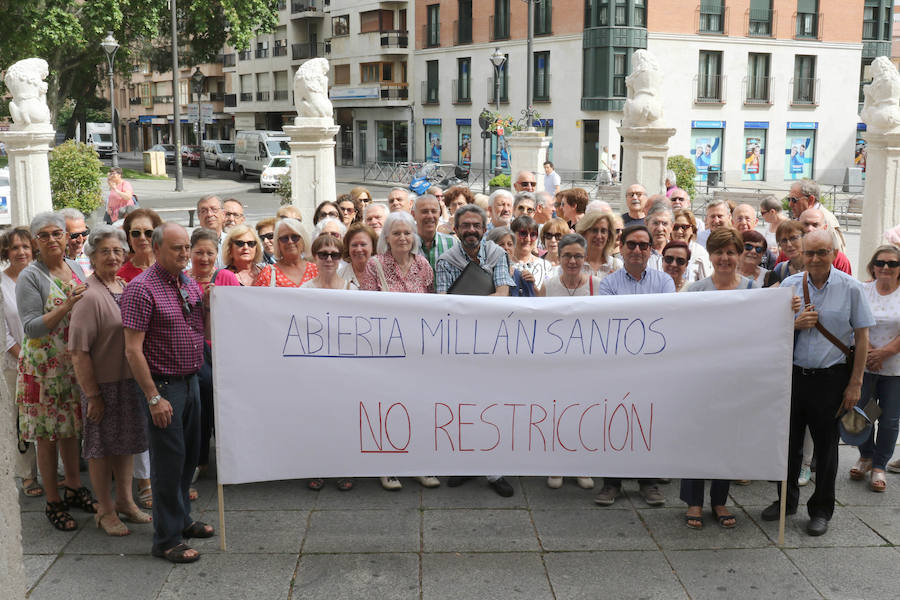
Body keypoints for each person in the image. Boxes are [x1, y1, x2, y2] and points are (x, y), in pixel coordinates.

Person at [760, 230, 874, 537]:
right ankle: (785, 502)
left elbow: (862, 339)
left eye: (822, 252)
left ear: (834, 253)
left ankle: (821, 509)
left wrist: (856, 383)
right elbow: (771, 330)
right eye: (809, 253)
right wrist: (794, 323)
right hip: (793, 376)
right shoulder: (789, 286)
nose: (815, 259)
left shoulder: (851, 288)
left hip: (831, 379)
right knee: (788, 445)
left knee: (825, 450)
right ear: (801, 254)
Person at [122, 222, 215, 563]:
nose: (184, 253)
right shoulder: (141, 289)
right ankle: (166, 539)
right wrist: (152, 397)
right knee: (168, 463)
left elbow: (197, 328)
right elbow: (132, 350)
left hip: (190, 381)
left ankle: (182, 520)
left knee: (188, 458)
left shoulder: (186, 283)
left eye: (186, 247)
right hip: (163, 386)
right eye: (177, 248)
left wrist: (207, 305)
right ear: (156, 249)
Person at [69, 226, 151, 536]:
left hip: (128, 382)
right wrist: (93, 396)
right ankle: (104, 510)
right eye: (105, 251)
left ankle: (126, 502)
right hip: (102, 387)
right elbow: (78, 352)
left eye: (118, 250)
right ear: (92, 256)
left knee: (126, 445)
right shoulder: (88, 295)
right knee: (101, 450)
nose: (113, 256)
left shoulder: (124, 285)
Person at [16, 212, 93, 531]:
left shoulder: (75, 267)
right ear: (35, 242)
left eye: (57, 234)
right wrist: (66, 307)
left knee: (71, 429)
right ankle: (53, 500)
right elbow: (31, 327)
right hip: (43, 369)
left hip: (71, 363)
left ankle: (74, 487)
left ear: (66, 237)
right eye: (44, 235)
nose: (52, 240)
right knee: (46, 436)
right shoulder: (29, 277)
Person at [435, 205, 516, 497]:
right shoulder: (446, 261)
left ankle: (495, 471)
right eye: (465, 226)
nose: (471, 230)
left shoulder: (497, 255)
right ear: (456, 230)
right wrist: (480, 304)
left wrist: (467, 306)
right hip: (459, 344)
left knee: (493, 406)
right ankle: (465, 464)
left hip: (493, 342)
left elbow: (504, 294)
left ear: (484, 228)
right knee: (462, 406)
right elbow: (444, 301)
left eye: (476, 225)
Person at [680, 228, 757, 530]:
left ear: (739, 255)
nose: (724, 258)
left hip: (736, 379)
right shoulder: (696, 291)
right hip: (701, 379)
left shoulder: (754, 291)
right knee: (697, 438)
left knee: (728, 439)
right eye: (718, 252)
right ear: (709, 255)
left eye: (730, 252)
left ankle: (720, 500)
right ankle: (694, 501)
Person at [594, 224, 675, 507]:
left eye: (643, 245)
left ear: (651, 250)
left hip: (652, 366)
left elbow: (663, 320)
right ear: (621, 246)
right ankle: (611, 483)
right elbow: (610, 321)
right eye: (631, 244)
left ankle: (648, 483)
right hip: (619, 365)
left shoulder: (665, 282)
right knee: (614, 422)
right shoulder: (608, 283)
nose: (637, 250)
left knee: (648, 423)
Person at [359, 212, 437, 490]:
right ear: (387, 238)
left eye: (407, 232)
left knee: (416, 405)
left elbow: (431, 306)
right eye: (397, 233)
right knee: (386, 406)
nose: (403, 237)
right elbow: (368, 306)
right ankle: (387, 465)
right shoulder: (374, 265)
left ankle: (417, 464)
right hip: (387, 348)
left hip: (417, 349)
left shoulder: (423, 265)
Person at [186, 229, 239, 483]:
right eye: (199, 253)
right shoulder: (183, 280)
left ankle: (230, 461)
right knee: (201, 408)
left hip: (226, 351)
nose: (204, 258)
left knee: (226, 408)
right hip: (196, 354)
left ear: (217, 254)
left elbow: (241, 312)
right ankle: (201, 460)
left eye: (209, 253)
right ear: (190, 253)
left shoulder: (226, 277)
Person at [852, 245, 900, 491]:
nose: (886, 268)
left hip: (895, 371)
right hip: (867, 366)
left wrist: (885, 352)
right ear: (873, 265)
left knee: (890, 420)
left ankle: (880, 466)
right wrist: (870, 352)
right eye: (881, 263)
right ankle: (866, 456)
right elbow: (855, 322)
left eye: (892, 263)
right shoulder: (863, 290)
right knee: (864, 414)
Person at [1, 227, 40, 497]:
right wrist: (25, 357)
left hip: (46, 361)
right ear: (6, 252)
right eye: (15, 247)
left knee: (47, 417)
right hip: (16, 363)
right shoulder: (1, 284)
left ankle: (53, 471)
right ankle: (27, 475)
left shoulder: (40, 277)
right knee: (20, 420)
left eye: (26, 246)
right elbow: (3, 333)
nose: (21, 252)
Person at [253, 219, 317, 287]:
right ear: (278, 243)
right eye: (284, 238)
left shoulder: (316, 270)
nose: (290, 241)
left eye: (295, 237)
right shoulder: (268, 273)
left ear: (303, 240)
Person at [787, 180, 846, 253]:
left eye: (794, 200)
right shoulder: (799, 217)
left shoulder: (827, 220)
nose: (790, 205)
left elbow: (837, 256)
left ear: (811, 200)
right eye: (788, 199)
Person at [798, 208, 852, 275]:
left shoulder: (839, 259)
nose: (809, 229)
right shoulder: (788, 253)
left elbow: (846, 283)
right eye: (806, 224)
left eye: (815, 225)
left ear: (825, 228)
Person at [486, 227, 536, 296]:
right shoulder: (484, 272)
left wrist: (532, 286)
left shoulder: (521, 275)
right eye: (501, 244)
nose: (506, 248)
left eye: (509, 244)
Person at [118, 209, 164, 283]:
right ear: (129, 238)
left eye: (148, 232)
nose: (142, 238)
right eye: (136, 233)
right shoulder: (121, 276)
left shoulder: (169, 268)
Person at [574, 210, 621, 280]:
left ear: (609, 235)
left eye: (603, 231)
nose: (599, 236)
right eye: (594, 230)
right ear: (583, 234)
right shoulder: (573, 264)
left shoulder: (616, 266)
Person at [509, 216, 552, 288]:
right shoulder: (504, 265)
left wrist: (533, 286)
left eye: (533, 235)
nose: (528, 239)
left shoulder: (545, 266)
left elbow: (548, 295)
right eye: (523, 233)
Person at [413, 194, 454, 271]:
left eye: (434, 211)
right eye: (424, 211)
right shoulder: (405, 244)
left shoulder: (452, 243)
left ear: (439, 214)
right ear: (413, 214)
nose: (430, 216)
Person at [671, 209, 711, 284]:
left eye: (684, 227)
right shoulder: (664, 251)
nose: (679, 231)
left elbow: (706, 284)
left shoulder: (700, 253)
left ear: (692, 229)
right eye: (675, 227)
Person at [338, 223, 377, 290]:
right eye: (354, 245)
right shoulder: (339, 275)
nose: (359, 249)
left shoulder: (383, 274)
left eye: (363, 244)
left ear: (373, 247)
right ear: (348, 248)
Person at [60, 208, 92, 276]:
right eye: (75, 235)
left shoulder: (93, 254)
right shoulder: (53, 260)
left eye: (84, 233)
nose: (80, 240)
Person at [645, 203, 673, 271]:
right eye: (655, 223)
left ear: (672, 227)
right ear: (646, 224)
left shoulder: (677, 253)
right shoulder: (637, 252)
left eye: (664, 224)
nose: (660, 228)